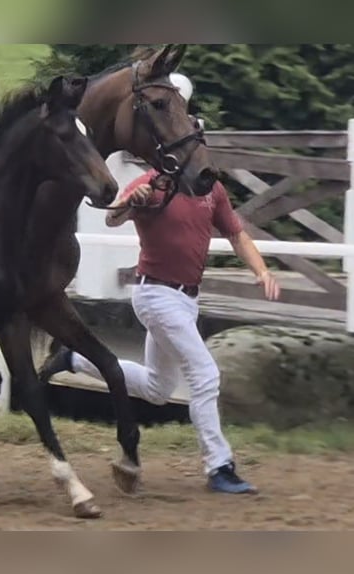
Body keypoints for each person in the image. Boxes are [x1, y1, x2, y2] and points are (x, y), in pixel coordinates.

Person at [39, 81, 281, 494]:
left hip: (187, 299)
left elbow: (237, 235)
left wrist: (260, 270)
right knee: (205, 375)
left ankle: (74, 361)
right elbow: (113, 217)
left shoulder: (211, 190)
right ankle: (219, 467)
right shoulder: (154, 184)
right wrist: (136, 200)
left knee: (157, 388)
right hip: (155, 295)